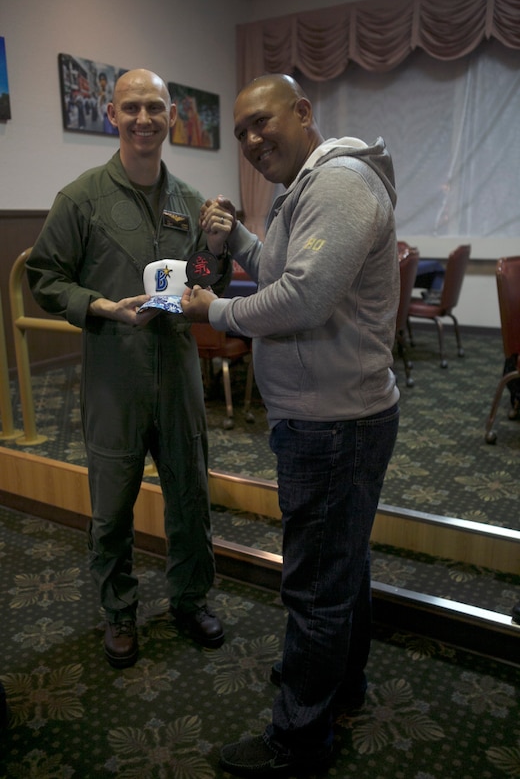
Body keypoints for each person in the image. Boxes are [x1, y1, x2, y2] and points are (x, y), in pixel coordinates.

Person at [181, 73, 400, 777]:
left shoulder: (336, 184)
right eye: (240, 130)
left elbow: (302, 298)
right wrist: (238, 237)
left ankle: (298, 743)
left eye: (260, 122)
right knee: (342, 568)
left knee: (315, 586)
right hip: (336, 415)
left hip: (333, 424)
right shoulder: (306, 188)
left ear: (302, 113)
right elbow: (286, 266)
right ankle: (339, 687)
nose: (249, 139)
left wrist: (212, 311)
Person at [26, 69, 231, 670]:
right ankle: (119, 610)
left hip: (178, 371)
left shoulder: (191, 202)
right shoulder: (81, 198)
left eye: (155, 108)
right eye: (132, 107)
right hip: (114, 373)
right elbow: (44, 278)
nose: (144, 118)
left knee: (190, 494)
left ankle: (190, 599)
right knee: (111, 503)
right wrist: (101, 307)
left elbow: (204, 285)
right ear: (111, 116)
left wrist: (215, 253)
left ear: (171, 117)